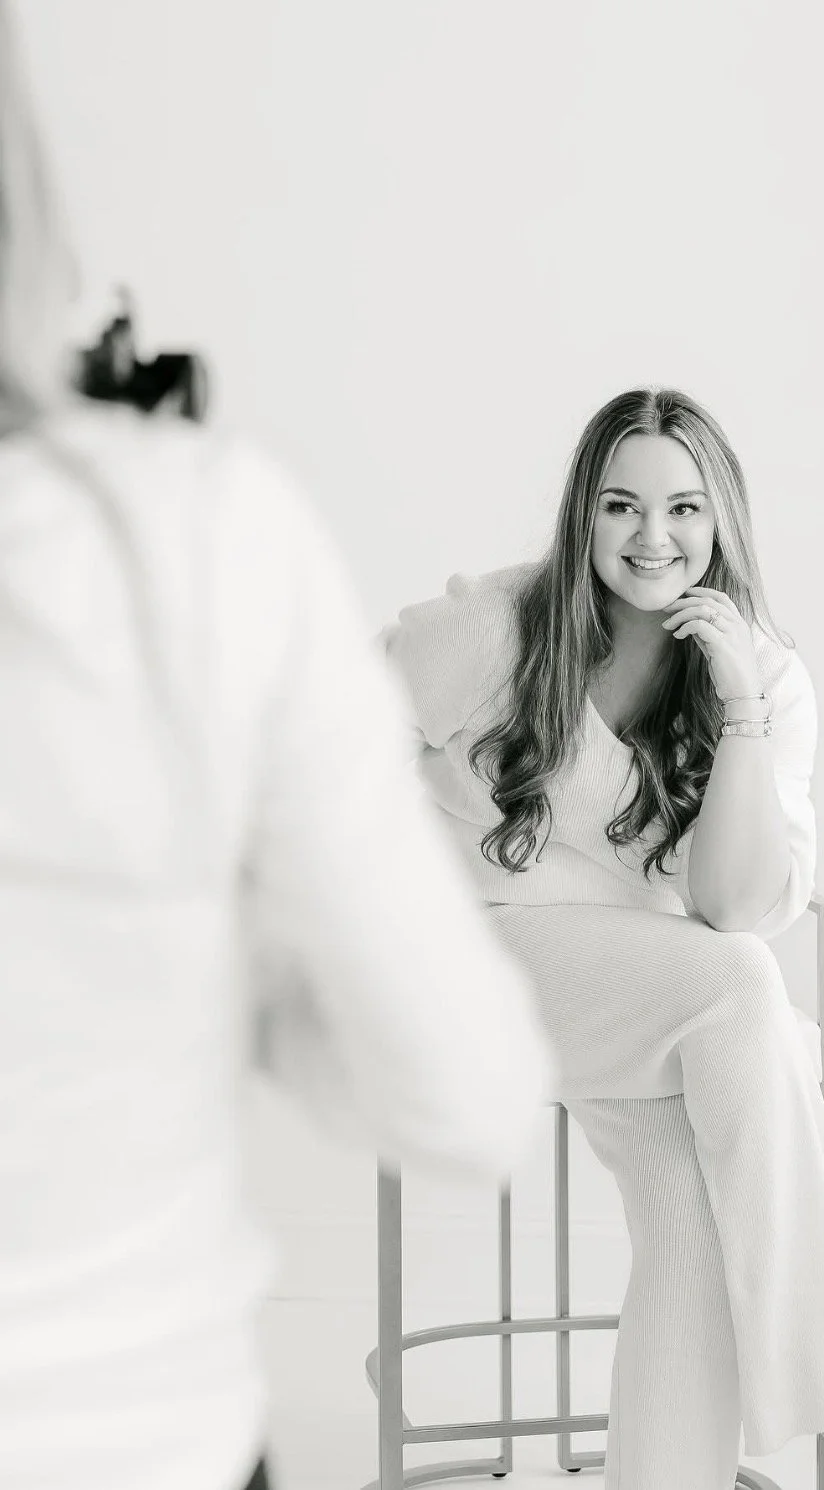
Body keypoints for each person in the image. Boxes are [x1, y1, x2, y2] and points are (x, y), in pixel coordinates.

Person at [0, 9, 553, 1490]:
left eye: (683, 507)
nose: (650, 535)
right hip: (130, 1433)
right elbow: (471, 1092)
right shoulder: (205, 538)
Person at [379, 386, 824, 1486]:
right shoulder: (497, 628)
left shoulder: (770, 676)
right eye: (621, 505)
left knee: (694, 1204)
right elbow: (329, 724)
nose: (652, 537)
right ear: (581, 515)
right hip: (488, 965)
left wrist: (738, 709)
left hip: (653, 1000)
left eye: (684, 507)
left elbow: (737, 903)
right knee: (745, 993)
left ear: (722, 518)